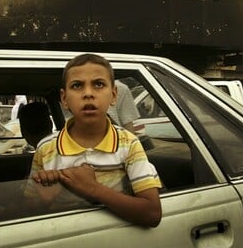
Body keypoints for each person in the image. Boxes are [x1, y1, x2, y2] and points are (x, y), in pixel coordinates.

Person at [25, 53, 162, 227]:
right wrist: (46, 197)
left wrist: (93, 189)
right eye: (77, 85)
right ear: (64, 99)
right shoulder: (45, 148)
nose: (88, 93)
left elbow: (152, 213)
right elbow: (29, 209)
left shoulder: (129, 144)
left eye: (98, 84)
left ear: (113, 96)